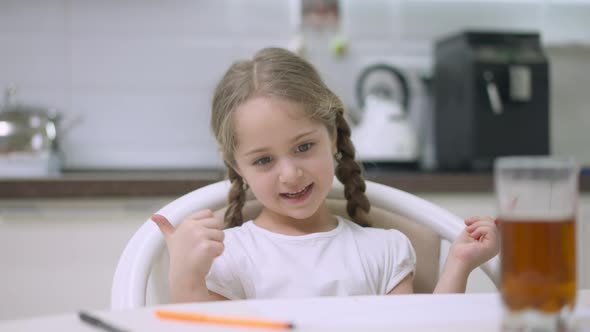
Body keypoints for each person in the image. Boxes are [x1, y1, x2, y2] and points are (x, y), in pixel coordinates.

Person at [151, 47, 499, 303]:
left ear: (332, 137)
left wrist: (459, 264)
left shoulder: (385, 251)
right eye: (263, 160)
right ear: (237, 166)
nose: (290, 174)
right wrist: (185, 275)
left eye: (303, 147)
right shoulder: (228, 259)